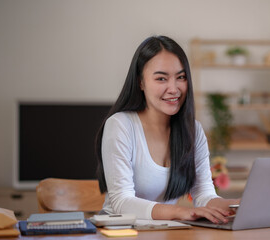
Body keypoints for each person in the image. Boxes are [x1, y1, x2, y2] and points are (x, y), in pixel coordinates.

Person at [95, 35, 239, 224]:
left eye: (181, 77)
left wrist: (237, 204)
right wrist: (180, 212)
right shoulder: (120, 125)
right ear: (141, 82)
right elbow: (122, 201)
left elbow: (204, 195)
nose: (174, 88)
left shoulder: (193, 130)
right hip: (120, 232)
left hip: (166, 232)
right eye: (161, 78)